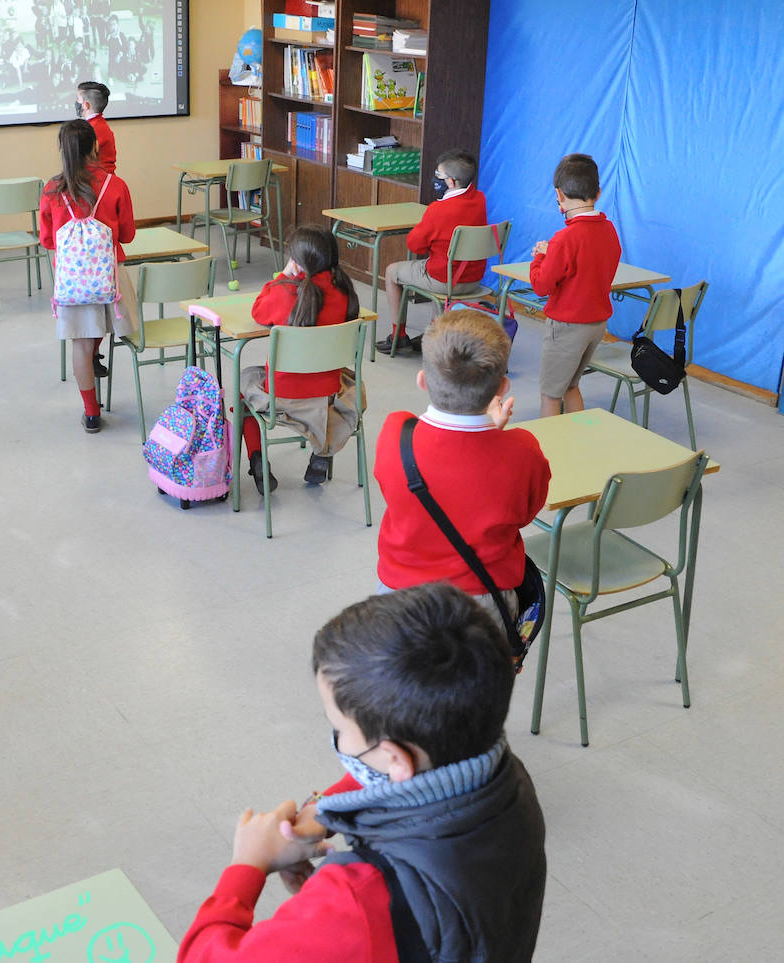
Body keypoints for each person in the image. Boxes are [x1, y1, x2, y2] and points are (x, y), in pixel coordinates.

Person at [177, 583, 547, 962]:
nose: (338, 737)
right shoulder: (507, 780)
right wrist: (323, 810)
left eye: (338, 727)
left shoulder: (358, 897)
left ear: (395, 759)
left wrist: (248, 865)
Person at [373, 310, 549, 625]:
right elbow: (524, 514)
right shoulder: (523, 451)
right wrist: (493, 432)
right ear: (502, 387)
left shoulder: (395, 434)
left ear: (422, 381)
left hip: (400, 594)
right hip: (483, 600)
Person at [240, 225, 360, 494]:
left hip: (282, 395)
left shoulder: (285, 293)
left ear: (298, 262)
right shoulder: (344, 295)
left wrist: (282, 275)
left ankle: (258, 460)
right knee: (349, 380)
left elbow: (258, 311)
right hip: (329, 392)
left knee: (244, 385)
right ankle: (322, 455)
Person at [39, 119, 136, 434]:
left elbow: (47, 240)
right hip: (112, 278)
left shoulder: (52, 189)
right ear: (96, 146)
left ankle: (91, 413)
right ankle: (97, 351)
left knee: (79, 343)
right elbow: (128, 235)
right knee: (107, 326)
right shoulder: (115, 185)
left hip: (73, 280)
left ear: (61, 150)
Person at [530, 153, 622, 417]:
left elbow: (541, 285)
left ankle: (551, 453)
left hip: (568, 326)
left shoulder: (564, 238)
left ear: (559, 195)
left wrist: (541, 256)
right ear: (598, 192)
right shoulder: (609, 230)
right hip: (596, 324)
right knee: (571, 385)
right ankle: (576, 444)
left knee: (550, 394)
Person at [378, 148, 489, 355]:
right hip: (474, 279)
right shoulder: (480, 200)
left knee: (392, 272)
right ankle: (434, 332)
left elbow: (414, 245)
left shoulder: (438, 210)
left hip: (446, 280)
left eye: (438, 175)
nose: (435, 178)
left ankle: (398, 335)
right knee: (439, 266)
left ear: (451, 182)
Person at [76, 80, 116, 173]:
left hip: (98, 181)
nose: (76, 102)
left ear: (86, 105)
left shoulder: (91, 130)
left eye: (78, 98)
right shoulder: (98, 124)